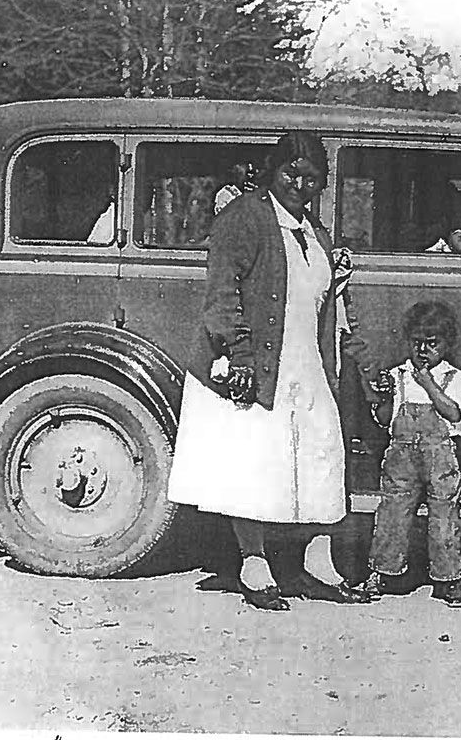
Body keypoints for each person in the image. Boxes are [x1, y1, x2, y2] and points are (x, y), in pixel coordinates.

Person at [167, 131, 370, 611]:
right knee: (254, 463)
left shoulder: (313, 231)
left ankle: (314, 564)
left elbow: (322, 300)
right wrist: (238, 353)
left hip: (304, 361)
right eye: (291, 174)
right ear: (270, 171)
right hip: (256, 361)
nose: (300, 184)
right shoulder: (244, 218)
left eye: (312, 179)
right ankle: (253, 564)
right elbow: (222, 292)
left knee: (319, 458)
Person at [360, 301, 461, 608]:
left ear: (447, 344)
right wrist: (382, 396)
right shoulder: (398, 375)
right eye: (417, 343)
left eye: (432, 344)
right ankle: (382, 572)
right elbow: (385, 419)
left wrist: (429, 385)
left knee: (444, 519)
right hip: (401, 459)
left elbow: (454, 413)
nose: (423, 350)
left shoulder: (453, 377)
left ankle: (448, 579)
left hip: (440, 459)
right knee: (392, 515)